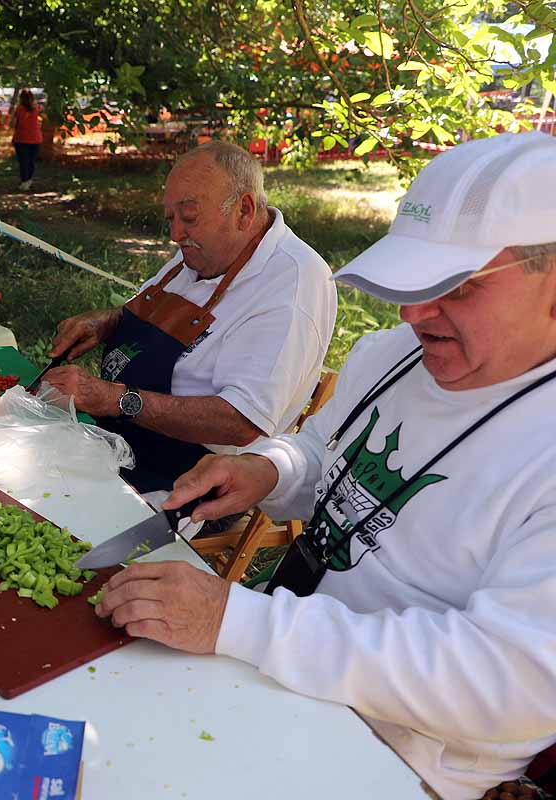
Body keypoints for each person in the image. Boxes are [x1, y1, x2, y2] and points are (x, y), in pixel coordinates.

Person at [98, 132, 556, 800]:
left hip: (399, 755)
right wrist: (267, 470)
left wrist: (240, 621)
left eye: (457, 287)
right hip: (285, 666)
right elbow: (323, 450)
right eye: (415, 279)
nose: (414, 312)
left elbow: (511, 682)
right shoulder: (396, 351)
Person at [44, 140, 337, 496]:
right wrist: (105, 321)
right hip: (120, 441)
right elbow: (150, 308)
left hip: (193, 476)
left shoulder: (293, 283)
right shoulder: (205, 253)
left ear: (243, 210)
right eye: (171, 219)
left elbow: (241, 423)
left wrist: (112, 398)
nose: (175, 234)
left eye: (189, 217)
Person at [10, 88, 43, 190]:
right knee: (31, 161)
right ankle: (28, 180)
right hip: (35, 138)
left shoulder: (19, 109)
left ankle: (25, 181)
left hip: (21, 138)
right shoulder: (37, 109)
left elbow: (13, 124)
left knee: (23, 161)